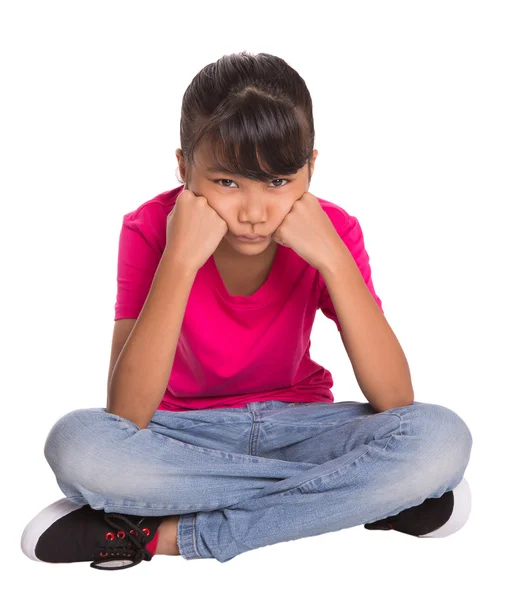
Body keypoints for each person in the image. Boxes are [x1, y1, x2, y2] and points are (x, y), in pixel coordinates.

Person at [20, 51, 473, 571]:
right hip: (182, 436)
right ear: (184, 167)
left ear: (311, 168)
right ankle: (360, 499)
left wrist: (331, 258)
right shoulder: (151, 229)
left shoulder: (333, 231)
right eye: (227, 182)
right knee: (80, 446)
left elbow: (395, 399)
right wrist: (180, 259)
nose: (255, 213)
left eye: (279, 182)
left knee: (439, 438)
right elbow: (126, 413)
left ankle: (157, 537)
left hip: (302, 428)